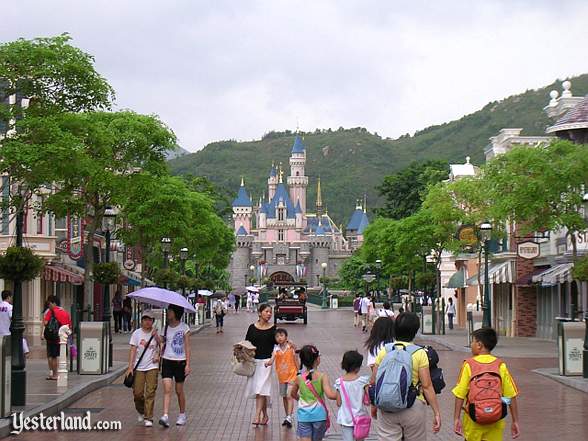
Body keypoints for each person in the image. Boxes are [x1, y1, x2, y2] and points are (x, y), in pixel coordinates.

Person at [371, 312, 441, 440]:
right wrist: (436, 412)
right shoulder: (420, 353)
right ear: (415, 331)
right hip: (413, 405)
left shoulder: (384, 351)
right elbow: (427, 386)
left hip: (387, 406)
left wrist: (374, 405)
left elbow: (374, 382)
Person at [453, 327, 520, 441]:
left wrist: (456, 418)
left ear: (479, 345)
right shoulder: (500, 365)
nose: (471, 345)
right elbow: (510, 395)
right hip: (496, 419)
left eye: (472, 341)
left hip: (473, 420)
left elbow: (460, 394)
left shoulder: (469, 365)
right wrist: (515, 421)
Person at [290, 345, 337, 441]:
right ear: (317, 359)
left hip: (303, 415)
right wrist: (342, 391)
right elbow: (330, 395)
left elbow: (293, 394)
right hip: (319, 416)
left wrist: (301, 399)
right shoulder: (323, 376)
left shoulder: (299, 378)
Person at [127, 310, 161, 427]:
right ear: (141, 321)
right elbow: (133, 350)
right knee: (138, 393)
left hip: (152, 366)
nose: (147, 322)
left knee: (150, 391)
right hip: (139, 367)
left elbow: (162, 346)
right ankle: (142, 410)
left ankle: (149, 417)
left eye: (149, 319)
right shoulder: (136, 334)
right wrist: (130, 367)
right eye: (145, 319)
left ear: (153, 321)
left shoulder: (156, 333)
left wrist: (156, 338)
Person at [159, 305, 191, 428]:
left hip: (180, 362)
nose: (168, 313)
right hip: (167, 360)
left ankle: (182, 414)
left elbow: (187, 347)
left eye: (170, 311)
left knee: (178, 390)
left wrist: (188, 364)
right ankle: (165, 415)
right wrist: (156, 335)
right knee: (167, 388)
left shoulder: (184, 328)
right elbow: (161, 341)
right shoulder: (165, 327)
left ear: (176, 313)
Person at [245, 303, 276, 426]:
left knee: (261, 388)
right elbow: (246, 344)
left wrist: (272, 359)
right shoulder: (252, 328)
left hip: (266, 363)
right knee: (259, 390)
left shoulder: (274, 328)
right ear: (260, 313)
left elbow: (277, 346)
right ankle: (265, 415)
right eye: (266, 311)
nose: (269, 314)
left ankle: (257, 415)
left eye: (270, 312)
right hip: (254, 362)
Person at [264, 328, 299, 428]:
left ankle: (289, 417)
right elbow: (272, 360)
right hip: (282, 377)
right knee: (284, 396)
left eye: (282, 335)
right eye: (277, 336)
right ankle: (288, 416)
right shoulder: (276, 349)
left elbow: (296, 357)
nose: (279, 338)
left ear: (286, 337)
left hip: (292, 375)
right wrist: (267, 363)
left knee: (289, 395)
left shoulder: (290, 347)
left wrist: (299, 371)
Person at [335, 350, 370, 441]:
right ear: (357, 367)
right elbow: (369, 399)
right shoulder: (363, 381)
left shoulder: (339, 382)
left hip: (345, 418)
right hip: (360, 417)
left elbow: (338, 403)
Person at [43, 295, 71, 380]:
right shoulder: (64, 312)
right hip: (61, 337)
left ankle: (53, 373)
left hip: (51, 337)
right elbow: (68, 325)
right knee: (61, 355)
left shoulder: (50, 312)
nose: (49, 305)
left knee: (52, 356)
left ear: (54, 303)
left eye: (50, 303)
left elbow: (45, 323)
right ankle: (60, 372)